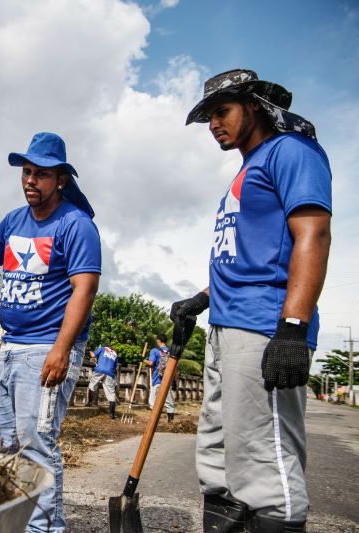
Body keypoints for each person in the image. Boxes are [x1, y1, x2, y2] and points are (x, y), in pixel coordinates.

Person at [171, 69, 332, 532]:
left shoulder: (291, 152)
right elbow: (248, 255)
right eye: (207, 117)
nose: (213, 125)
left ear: (254, 106)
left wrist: (293, 329)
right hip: (225, 325)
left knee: (265, 458)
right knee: (219, 454)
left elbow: (313, 233)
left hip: (264, 327)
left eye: (221, 112)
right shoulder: (248, 169)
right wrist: (201, 300)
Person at [0, 132, 101, 532]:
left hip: (47, 349)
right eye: (26, 172)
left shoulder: (75, 225)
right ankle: (12, 520)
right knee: (0, 442)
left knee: (37, 443)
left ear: (60, 179)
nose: (30, 180)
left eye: (40, 174)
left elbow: (85, 287)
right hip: (10, 348)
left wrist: (61, 350)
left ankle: (45, 528)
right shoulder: (14, 221)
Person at [143, 333, 175, 421]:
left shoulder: (155, 350)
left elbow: (151, 363)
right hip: (168, 380)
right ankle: (170, 421)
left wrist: (142, 359)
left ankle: (154, 420)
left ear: (158, 341)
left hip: (157, 379)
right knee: (169, 402)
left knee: (152, 401)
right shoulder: (171, 351)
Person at [88, 345, 119, 419]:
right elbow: (114, 367)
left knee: (92, 385)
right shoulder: (115, 354)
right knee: (111, 393)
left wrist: (88, 351)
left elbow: (93, 355)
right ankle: (112, 414)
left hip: (100, 370)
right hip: (110, 373)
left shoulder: (102, 349)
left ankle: (90, 403)